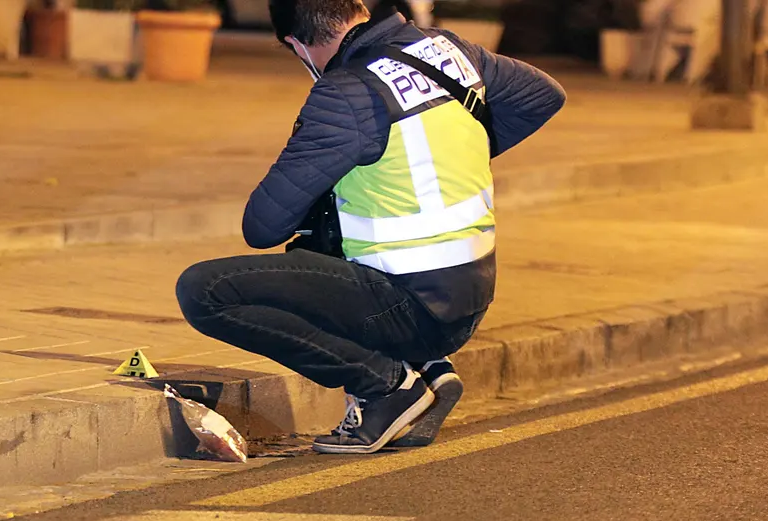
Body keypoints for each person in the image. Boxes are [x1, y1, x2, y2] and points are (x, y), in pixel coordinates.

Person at [174, 0, 565, 453]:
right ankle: (431, 371)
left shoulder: (346, 93)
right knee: (317, 239)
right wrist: (443, 154)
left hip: (406, 306)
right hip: (466, 297)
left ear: (298, 43)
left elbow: (262, 226)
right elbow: (544, 95)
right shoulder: (444, 49)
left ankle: (387, 387)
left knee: (206, 291)